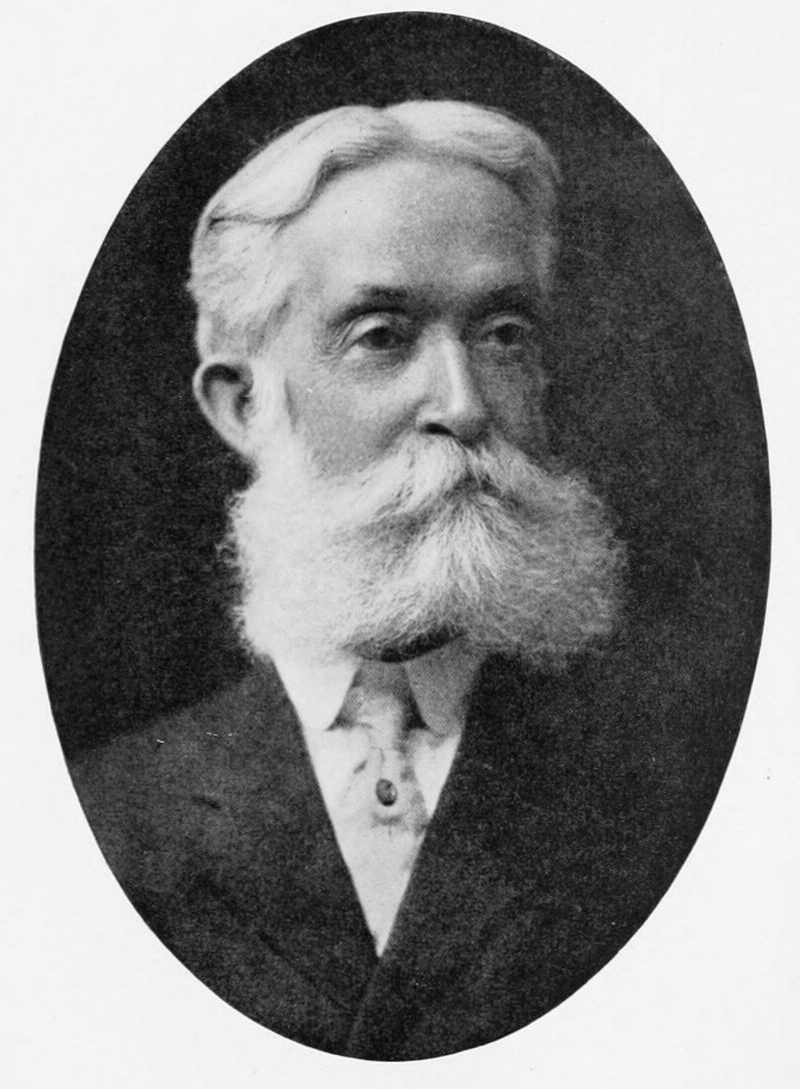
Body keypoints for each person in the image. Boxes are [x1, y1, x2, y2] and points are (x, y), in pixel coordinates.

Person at [72, 100, 672, 1060]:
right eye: (383, 336)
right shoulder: (97, 820)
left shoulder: (668, 797)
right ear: (244, 404)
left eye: (503, 334)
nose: (465, 405)